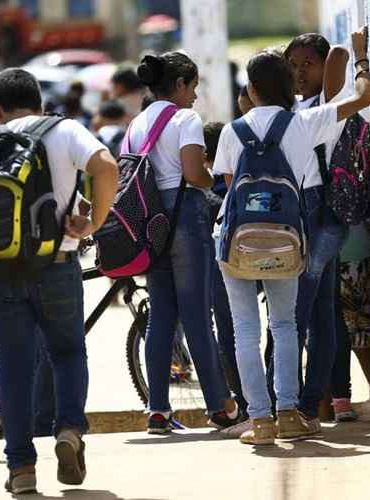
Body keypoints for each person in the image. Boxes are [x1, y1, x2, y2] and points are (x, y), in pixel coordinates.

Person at [0, 68, 118, 494]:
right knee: (66, 353)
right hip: (57, 263)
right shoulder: (64, 131)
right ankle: (69, 431)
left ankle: (21, 468)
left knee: (14, 367)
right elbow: (106, 166)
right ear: (40, 103)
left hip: (2, 272)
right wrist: (92, 221)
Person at [211, 27, 370, 445]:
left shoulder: (232, 132)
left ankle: (259, 420)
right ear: (288, 84)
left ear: (250, 87)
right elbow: (361, 98)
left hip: (237, 242)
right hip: (288, 240)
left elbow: (229, 185)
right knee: (285, 326)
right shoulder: (304, 123)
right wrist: (361, 59)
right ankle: (288, 413)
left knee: (244, 329)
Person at [130, 52, 238, 434]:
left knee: (160, 317)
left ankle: (157, 409)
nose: (194, 95)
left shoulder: (136, 123)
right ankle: (220, 407)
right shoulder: (185, 119)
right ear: (178, 85)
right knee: (196, 317)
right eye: (192, 86)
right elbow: (194, 174)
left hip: (151, 226)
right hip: (186, 221)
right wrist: (215, 179)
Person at [284, 32, 370, 427]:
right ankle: (326, 400)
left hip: (324, 217)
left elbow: (335, 53)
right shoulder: (296, 112)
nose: (299, 73)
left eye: (307, 64)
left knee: (315, 313)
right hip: (310, 217)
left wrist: (358, 56)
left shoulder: (325, 105)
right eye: (291, 66)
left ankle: (324, 400)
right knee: (320, 312)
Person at [202, 121, 250, 436]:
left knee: (230, 333)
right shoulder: (242, 169)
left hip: (224, 256)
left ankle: (245, 405)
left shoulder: (207, 183)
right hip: (255, 248)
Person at [330, 220, 370, 421]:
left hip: (328, 249)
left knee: (323, 331)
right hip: (359, 247)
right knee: (360, 328)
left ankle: (329, 408)